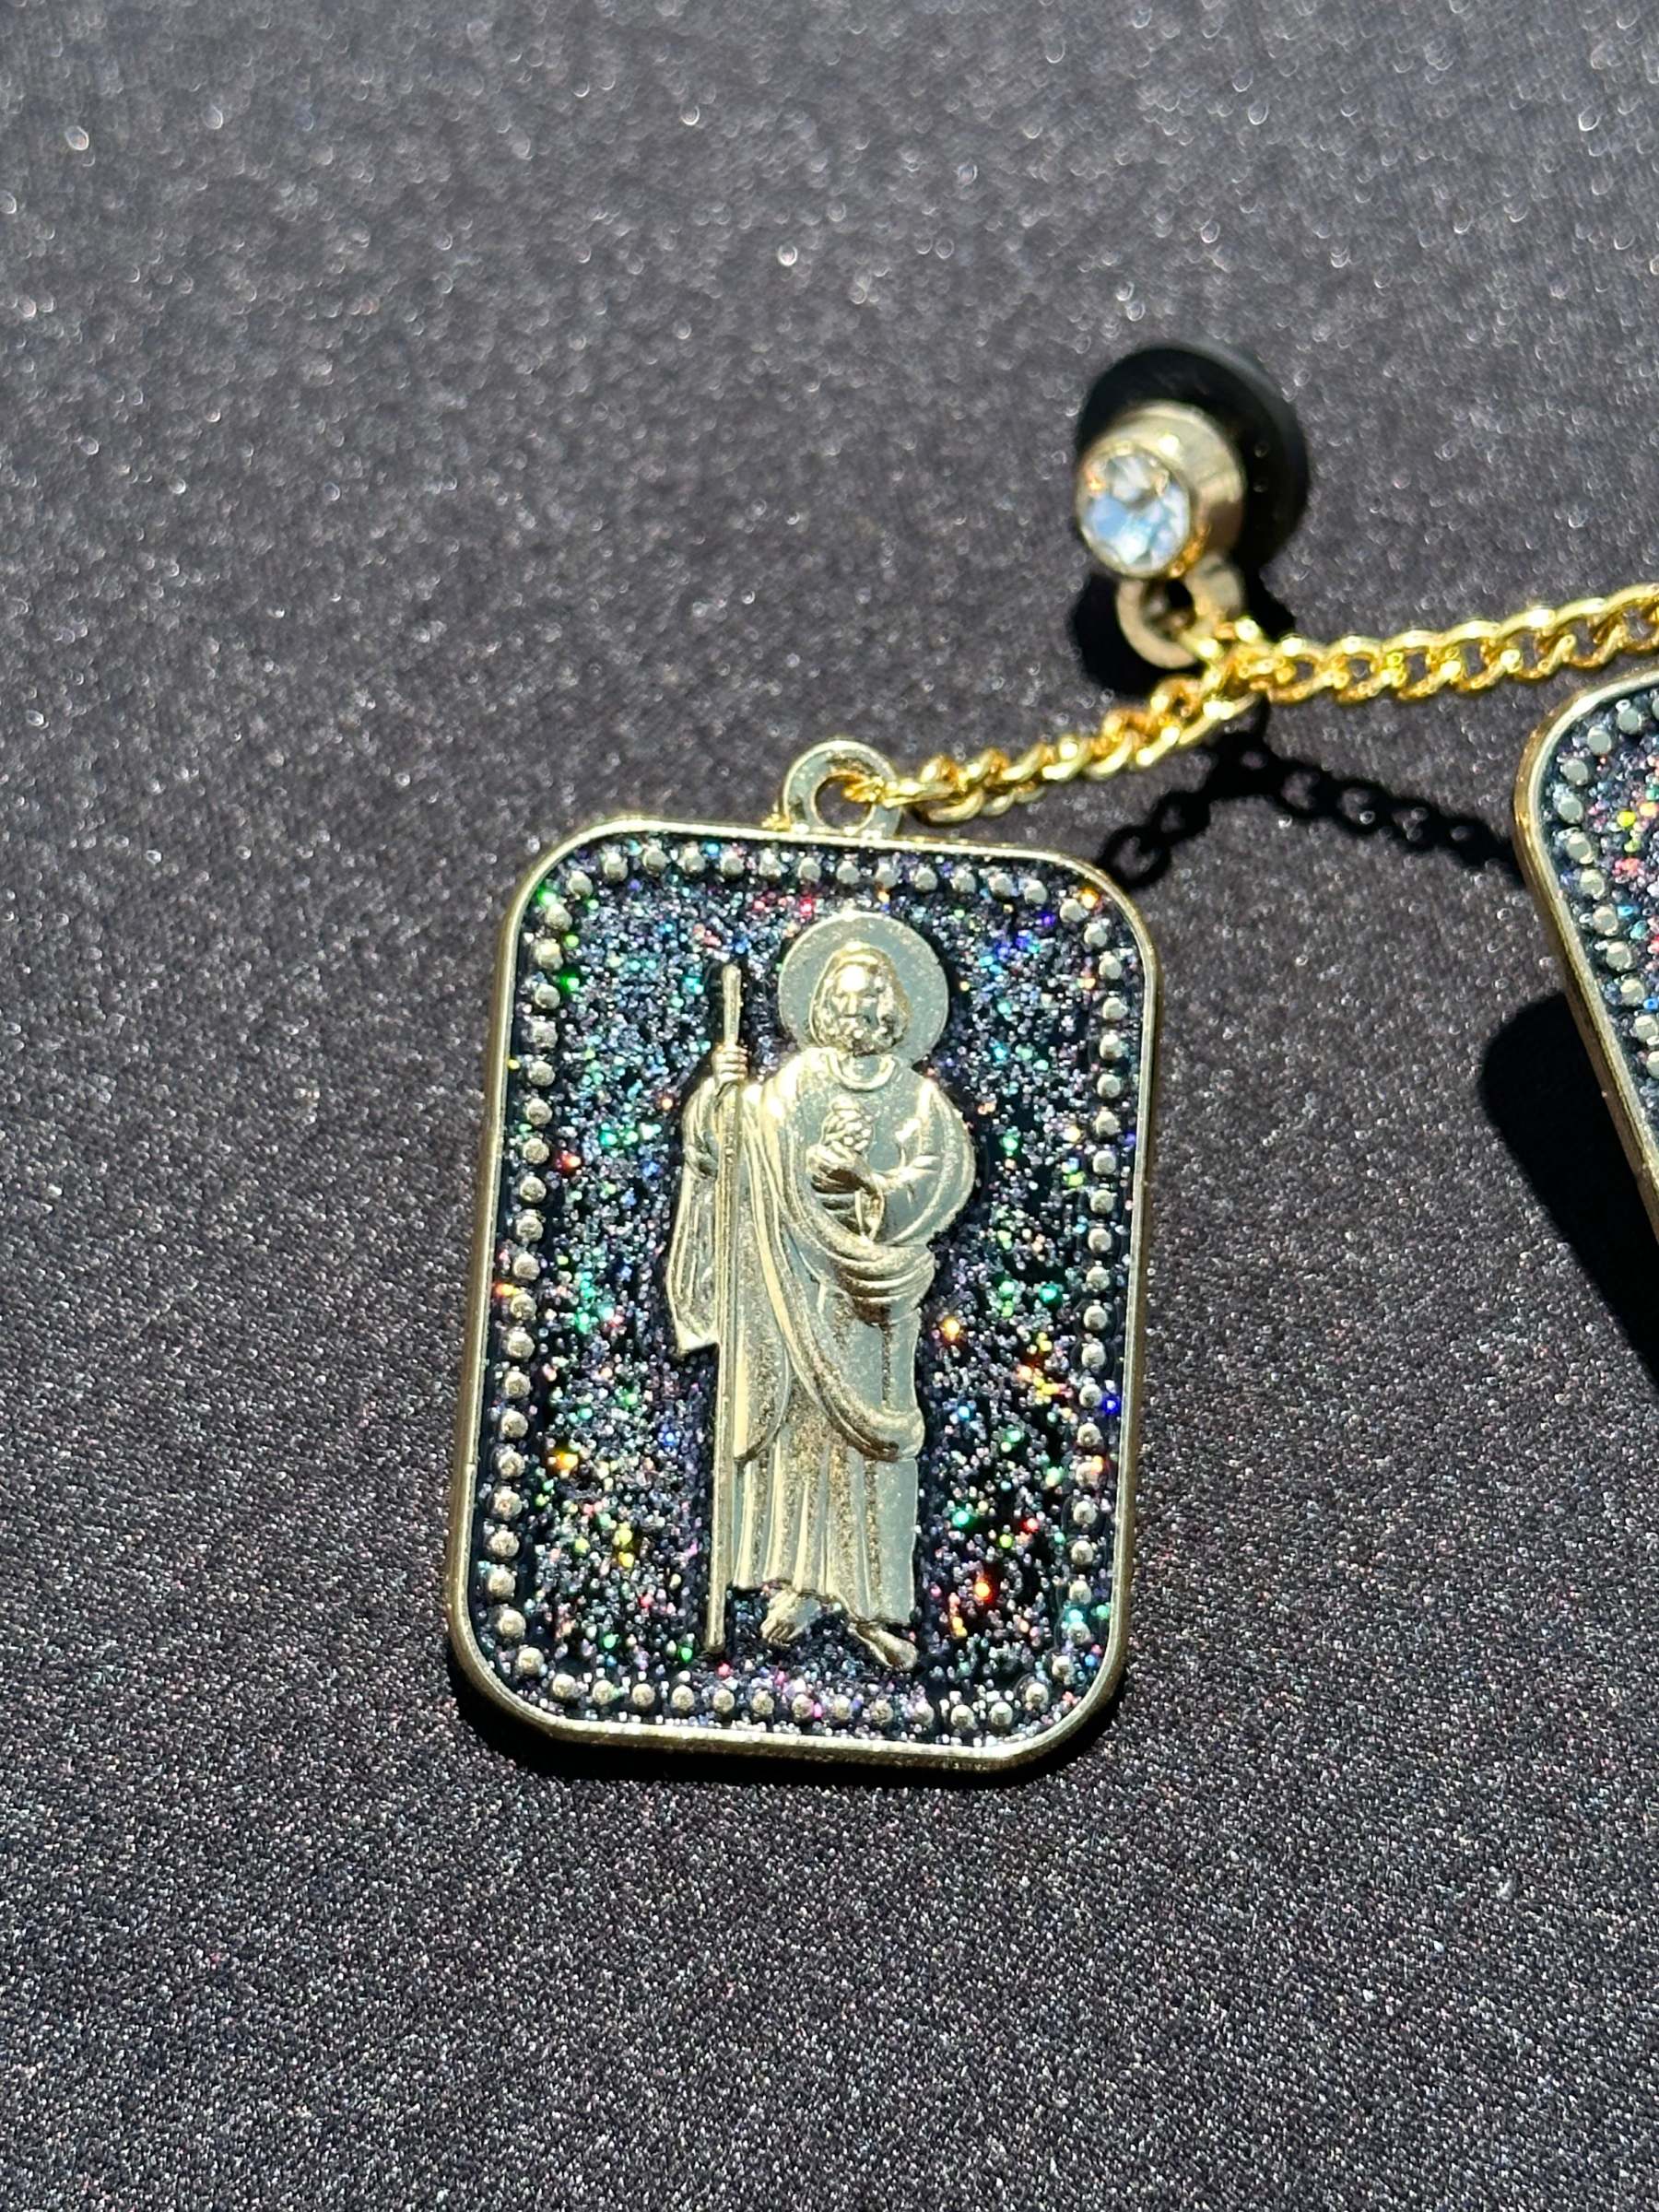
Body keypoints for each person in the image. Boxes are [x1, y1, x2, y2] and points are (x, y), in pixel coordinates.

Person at [668, 918, 974, 1670]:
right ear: (825, 1008)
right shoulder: (798, 1082)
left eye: (872, 1000)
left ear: (895, 1011)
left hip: (873, 1298)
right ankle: (799, 1588)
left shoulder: (917, 1100)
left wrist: (869, 1188)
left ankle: (873, 1608)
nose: (858, 1011)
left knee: (874, 1448)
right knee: (800, 1440)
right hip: (792, 1288)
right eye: (845, 999)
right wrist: (721, 1094)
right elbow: (738, 1145)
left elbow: (943, 1176)